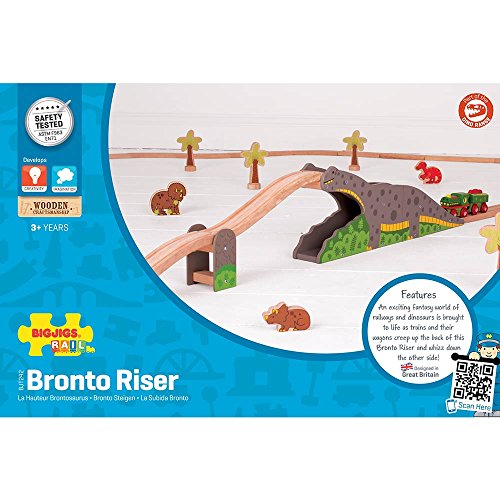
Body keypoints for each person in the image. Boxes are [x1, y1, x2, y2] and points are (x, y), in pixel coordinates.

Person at [468, 333, 500, 416]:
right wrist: (471, 359)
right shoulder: (478, 362)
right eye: (485, 349)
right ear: (479, 349)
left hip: (497, 405)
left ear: (498, 349)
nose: (488, 352)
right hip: (481, 404)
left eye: (492, 349)